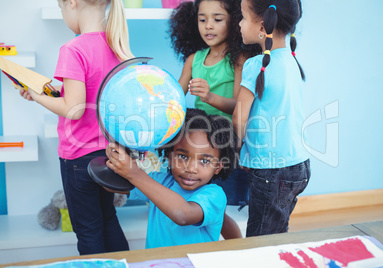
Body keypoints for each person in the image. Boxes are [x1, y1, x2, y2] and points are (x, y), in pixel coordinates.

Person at [19, 0, 134, 254]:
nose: (63, 16)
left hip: (78, 159)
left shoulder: (73, 48)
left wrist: (37, 96)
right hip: (109, 154)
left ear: (72, 3)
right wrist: (52, 91)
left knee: (88, 229)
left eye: (61, 10)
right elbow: (94, 93)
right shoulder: (116, 44)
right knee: (108, 219)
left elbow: (74, 108)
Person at [169, 0, 261, 239]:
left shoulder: (239, 59)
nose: (208, 26)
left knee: (219, 203)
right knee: (196, 197)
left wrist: (209, 97)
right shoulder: (194, 60)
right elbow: (176, 99)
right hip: (197, 140)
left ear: (234, 21)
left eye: (217, 19)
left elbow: (239, 105)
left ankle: (233, 244)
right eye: (202, 19)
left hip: (225, 142)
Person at [105, 108, 238, 248]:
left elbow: (182, 215)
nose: (190, 168)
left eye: (204, 161)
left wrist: (135, 174)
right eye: (182, 156)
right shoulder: (159, 181)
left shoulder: (214, 195)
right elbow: (110, 185)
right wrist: (117, 155)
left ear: (218, 167)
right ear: (170, 157)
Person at [233, 0, 311, 237]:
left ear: (261, 26)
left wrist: (233, 153)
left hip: (272, 171)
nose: (239, 23)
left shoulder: (256, 64)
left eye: (243, 17)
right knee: (276, 229)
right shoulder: (293, 62)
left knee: (260, 238)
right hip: (299, 166)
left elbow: (239, 118)